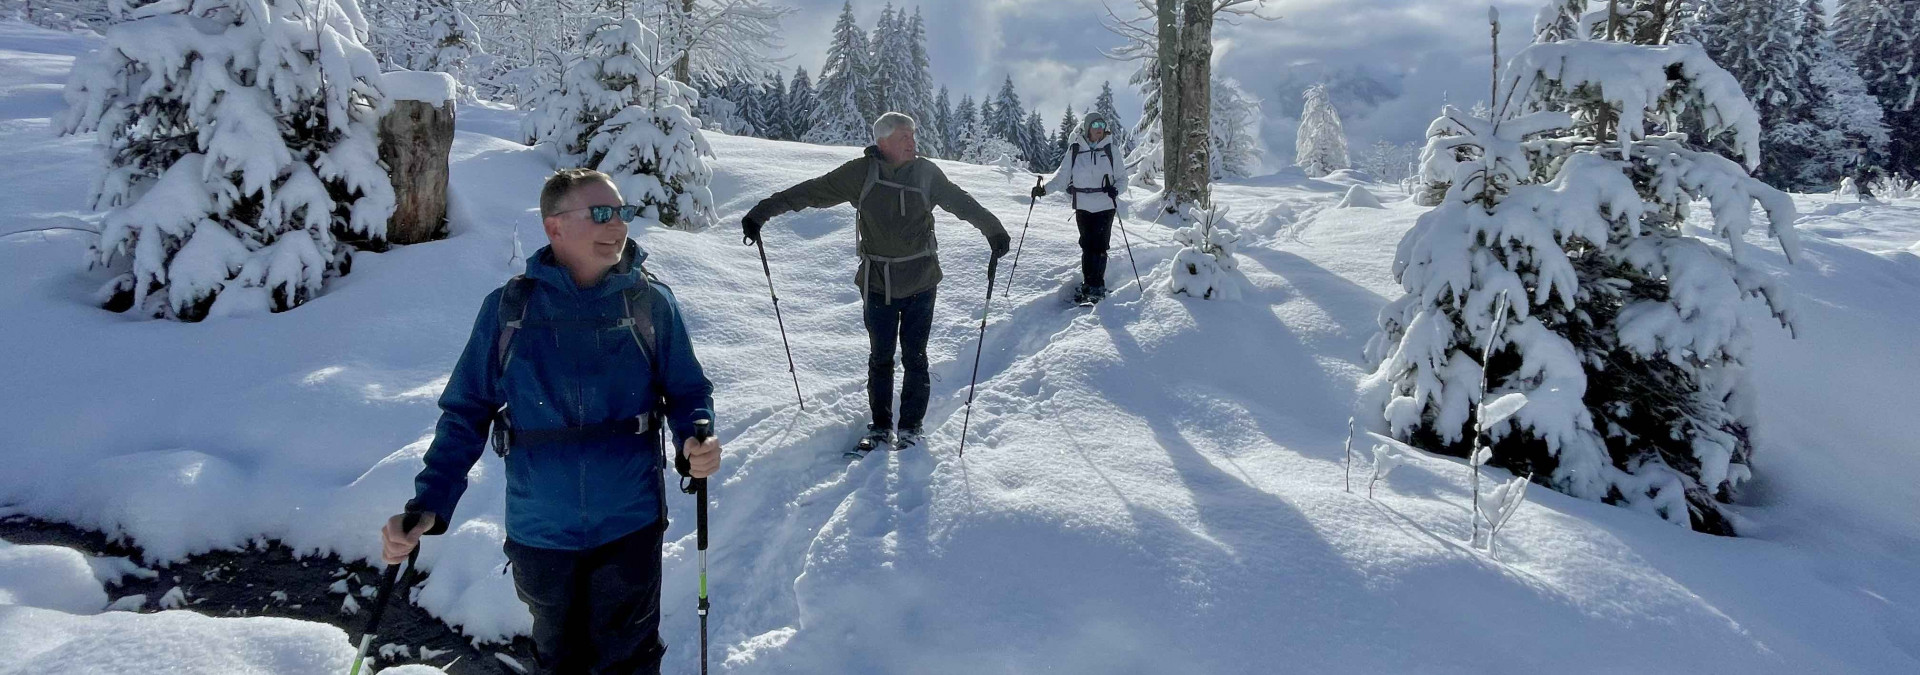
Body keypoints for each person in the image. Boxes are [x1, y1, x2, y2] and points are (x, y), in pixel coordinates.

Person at [380, 168, 721, 674]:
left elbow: (688, 390)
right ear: (554, 227)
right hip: (541, 531)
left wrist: (696, 438)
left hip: (630, 521)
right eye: (602, 213)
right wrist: (429, 503)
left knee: (628, 660)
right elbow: (466, 412)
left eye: (623, 212)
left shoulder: (649, 304)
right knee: (558, 658)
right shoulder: (509, 311)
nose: (619, 225)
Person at [742, 112, 1011, 454]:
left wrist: (993, 229)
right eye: (904, 138)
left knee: (915, 356)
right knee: (880, 357)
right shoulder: (861, 173)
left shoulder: (927, 173)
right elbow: (810, 191)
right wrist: (760, 213)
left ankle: (911, 428)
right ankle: (881, 427)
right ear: (883, 142)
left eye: (913, 136)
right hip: (877, 283)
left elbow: (961, 202)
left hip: (921, 279)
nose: (913, 143)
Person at [1032, 111, 1129, 305]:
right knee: (1087, 245)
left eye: (1102, 126)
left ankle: (1097, 287)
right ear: (1087, 128)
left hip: (1104, 205)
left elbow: (1123, 180)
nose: (1099, 130)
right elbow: (1062, 178)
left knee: (1100, 246)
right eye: (1095, 126)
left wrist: (1115, 190)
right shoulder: (1075, 150)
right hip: (1083, 206)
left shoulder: (1111, 150)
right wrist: (1043, 191)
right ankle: (1088, 285)